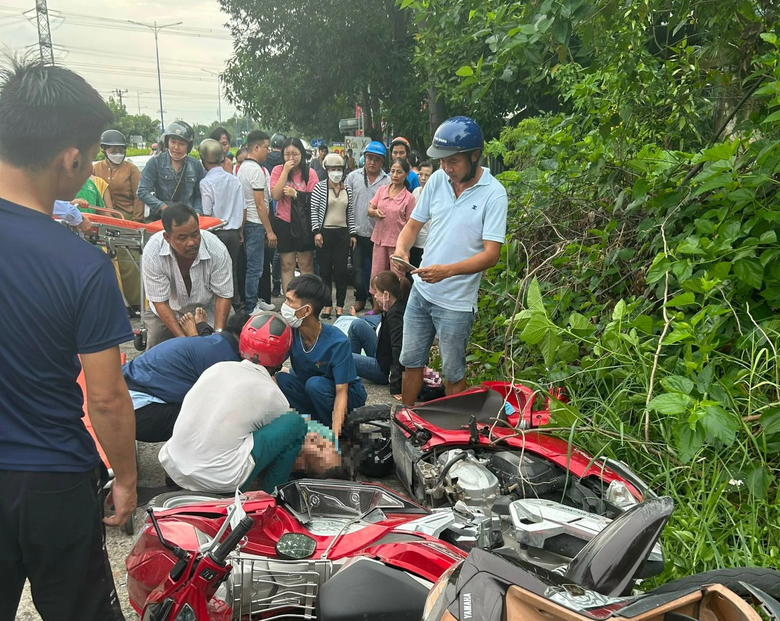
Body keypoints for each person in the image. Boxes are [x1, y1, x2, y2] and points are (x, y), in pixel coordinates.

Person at [0, 57, 135, 620]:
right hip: (51, 478)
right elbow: (104, 398)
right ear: (71, 158)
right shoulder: (82, 266)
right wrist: (126, 477)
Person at [393, 116, 508, 404]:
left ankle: (452, 438)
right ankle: (407, 420)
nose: (446, 168)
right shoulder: (437, 182)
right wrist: (402, 250)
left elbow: (491, 255)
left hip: (456, 303)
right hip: (421, 292)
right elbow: (412, 226)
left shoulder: (494, 194)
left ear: (475, 156)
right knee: (411, 362)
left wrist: (447, 272)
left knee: (453, 373)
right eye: (442, 161)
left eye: (452, 161)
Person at [159, 312, 308, 494]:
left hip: (174, 468)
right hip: (218, 483)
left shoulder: (216, 368)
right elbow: (277, 442)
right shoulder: (273, 395)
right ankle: (273, 497)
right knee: (294, 424)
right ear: (282, 355)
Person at [123, 311, 248, 442]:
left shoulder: (214, 343)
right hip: (139, 412)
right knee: (221, 414)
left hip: (123, 391)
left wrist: (199, 328)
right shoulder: (227, 359)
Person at [276, 275, 367, 438]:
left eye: (289, 301)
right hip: (315, 391)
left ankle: (335, 431)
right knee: (282, 379)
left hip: (347, 395)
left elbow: (341, 392)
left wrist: (335, 439)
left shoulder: (337, 342)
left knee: (315, 384)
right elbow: (271, 365)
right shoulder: (291, 333)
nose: (284, 306)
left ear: (307, 310)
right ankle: (313, 426)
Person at [142, 203, 233, 349]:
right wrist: (186, 341)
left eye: (195, 235)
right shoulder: (153, 252)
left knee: (227, 347)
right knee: (156, 355)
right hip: (167, 311)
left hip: (207, 307)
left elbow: (223, 295)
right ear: (167, 237)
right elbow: (161, 303)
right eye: (182, 238)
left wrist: (218, 336)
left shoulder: (217, 249)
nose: (191, 242)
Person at [198, 138, 246, 310]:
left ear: (204, 161)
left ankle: (218, 308)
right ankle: (236, 306)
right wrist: (240, 231)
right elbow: (242, 208)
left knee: (214, 273)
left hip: (215, 233)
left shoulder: (206, 183)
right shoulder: (234, 180)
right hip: (233, 232)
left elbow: (207, 213)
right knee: (231, 271)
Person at [344, 140, 390, 313]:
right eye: (369, 158)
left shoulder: (387, 181)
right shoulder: (352, 177)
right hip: (356, 231)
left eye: (376, 159)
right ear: (364, 158)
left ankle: (376, 300)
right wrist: (349, 230)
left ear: (382, 162)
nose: (372, 162)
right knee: (357, 268)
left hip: (378, 234)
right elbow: (345, 203)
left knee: (378, 269)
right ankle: (360, 298)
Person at [349, 271, 409, 397]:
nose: (374, 296)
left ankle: (349, 366)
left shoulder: (395, 315)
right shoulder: (393, 307)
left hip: (383, 370)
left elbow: (398, 349)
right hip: (382, 354)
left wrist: (395, 386)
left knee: (342, 356)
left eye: (376, 292)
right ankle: (351, 371)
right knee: (357, 325)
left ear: (386, 294)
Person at [270, 137, 319, 292]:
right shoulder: (278, 171)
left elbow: (315, 198)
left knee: (306, 264)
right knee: (287, 264)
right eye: (287, 154)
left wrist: (296, 194)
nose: (291, 158)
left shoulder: (310, 173)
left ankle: (307, 298)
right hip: (284, 222)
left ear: (302, 154)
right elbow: (276, 195)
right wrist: (285, 171)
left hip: (304, 224)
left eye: (295, 154)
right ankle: (289, 303)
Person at [312, 153, 356, 319]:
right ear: (327, 170)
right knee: (325, 272)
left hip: (342, 234)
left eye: (339, 169)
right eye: (332, 169)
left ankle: (340, 305)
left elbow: (350, 213)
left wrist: (352, 233)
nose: (336, 172)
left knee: (341, 271)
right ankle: (327, 305)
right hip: (325, 233)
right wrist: (316, 232)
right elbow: (314, 211)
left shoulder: (348, 189)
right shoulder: (320, 188)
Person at [238, 130, 277, 314]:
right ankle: (251, 305)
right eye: (266, 147)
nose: (268, 151)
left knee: (256, 266)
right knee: (255, 268)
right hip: (255, 223)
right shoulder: (255, 170)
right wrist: (269, 231)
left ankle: (255, 300)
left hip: (250, 223)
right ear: (256, 147)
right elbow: (260, 204)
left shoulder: (243, 167)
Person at [368, 158, 416, 298]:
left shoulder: (409, 198)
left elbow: (411, 225)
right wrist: (375, 212)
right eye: (393, 171)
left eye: (399, 172)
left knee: (397, 278)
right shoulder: (382, 190)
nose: (395, 175)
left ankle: (396, 309)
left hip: (398, 244)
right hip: (379, 239)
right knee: (376, 275)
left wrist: (406, 250)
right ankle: (376, 309)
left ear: (406, 174)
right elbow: (370, 210)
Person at [138, 120, 205, 219]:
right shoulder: (155, 162)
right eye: (173, 142)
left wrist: (197, 212)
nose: (176, 147)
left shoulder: (195, 165)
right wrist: (164, 207)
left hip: (188, 218)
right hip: (163, 218)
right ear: (167, 142)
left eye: (182, 144)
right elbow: (142, 191)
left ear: (188, 146)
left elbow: (199, 195)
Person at [93, 130, 145, 222]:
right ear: (104, 150)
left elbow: (139, 196)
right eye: (113, 151)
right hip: (102, 217)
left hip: (127, 218)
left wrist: (137, 220)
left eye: (121, 151)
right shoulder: (95, 169)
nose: (117, 154)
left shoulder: (131, 169)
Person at [410, 160, 434, 269]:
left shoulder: (437, 195)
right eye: (420, 174)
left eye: (427, 175)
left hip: (428, 243)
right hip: (414, 240)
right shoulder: (415, 191)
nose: (423, 178)